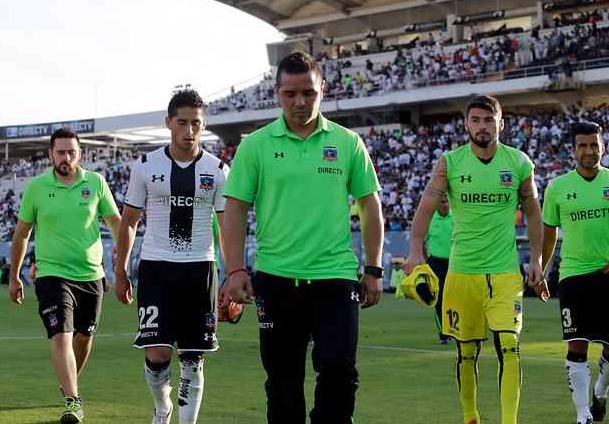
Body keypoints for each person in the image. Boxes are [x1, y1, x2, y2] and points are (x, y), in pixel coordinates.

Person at [221, 51, 384, 424]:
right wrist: (234, 270)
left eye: (308, 93)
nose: (300, 102)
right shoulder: (255, 145)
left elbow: (370, 205)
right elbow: (235, 211)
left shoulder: (347, 142)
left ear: (322, 90)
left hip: (335, 280)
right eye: (290, 93)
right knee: (283, 384)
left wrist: (373, 269)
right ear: (276, 92)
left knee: (339, 373)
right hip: (276, 281)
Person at [403, 94, 544, 424]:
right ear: (467, 124)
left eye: (489, 120)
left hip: (506, 273)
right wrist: (414, 248)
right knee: (467, 352)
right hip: (462, 272)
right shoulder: (449, 164)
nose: (483, 126)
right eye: (476, 120)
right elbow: (425, 207)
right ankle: (471, 417)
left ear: (501, 124)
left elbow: (534, 214)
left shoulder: (520, 163)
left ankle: (509, 421)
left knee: (509, 346)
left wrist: (537, 258)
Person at [114, 89, 229, 424]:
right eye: (182, 122)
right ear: (169, 123)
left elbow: (225, 228)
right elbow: (130, 222)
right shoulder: (146, 165)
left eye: (196, 123)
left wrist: (232, 273)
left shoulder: (219, 169)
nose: (189, 130)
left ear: (204, 124)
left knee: (193, 359)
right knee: (158, 353)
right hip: (156, 270)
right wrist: (121, 271)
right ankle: (162, 405)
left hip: (201, 269)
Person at [8, 127, 120, 423]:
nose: (66, 157)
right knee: (61, 334)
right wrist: (14, 275)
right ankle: (73, 400)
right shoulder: (35, 187)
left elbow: (116, 221)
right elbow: (22, 234)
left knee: (83, 337)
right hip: (51, 274)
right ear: (50, 154)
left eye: (72, 152)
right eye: (60, 152)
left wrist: (121, 256)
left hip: (92, 276)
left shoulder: (96, 182)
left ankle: (69, 384)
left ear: (79, 153)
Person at [539, 121, 609, 424]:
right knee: (576, 344)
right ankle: (583, 416)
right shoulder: (557, 187)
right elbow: (549, 232)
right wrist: (540, 269)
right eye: (583, 145)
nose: (589, 151)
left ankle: (601, 393)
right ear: (573, 150)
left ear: (602, 147)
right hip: (573, 275)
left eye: (594, 145)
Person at [422, 194, 453, 345]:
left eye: (447, 201)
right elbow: (421, 240)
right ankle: (443, 334)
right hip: (436, 264)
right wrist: (425, 261)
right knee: (439, 299)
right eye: (442, 202)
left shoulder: (457, 217)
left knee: (457, 299)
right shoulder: (430, 219)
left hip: (456, 263)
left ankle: (456, 330)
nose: (446, 204)